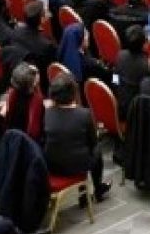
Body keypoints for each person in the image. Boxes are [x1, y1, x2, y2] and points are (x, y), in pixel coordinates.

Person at [42, 74, 111, 202]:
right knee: (97, 150)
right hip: (77, 166)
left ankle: (84, 194)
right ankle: (98, 189)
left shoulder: (47, 113)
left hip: (51, 165)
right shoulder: (84, 114)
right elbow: (92, 142)